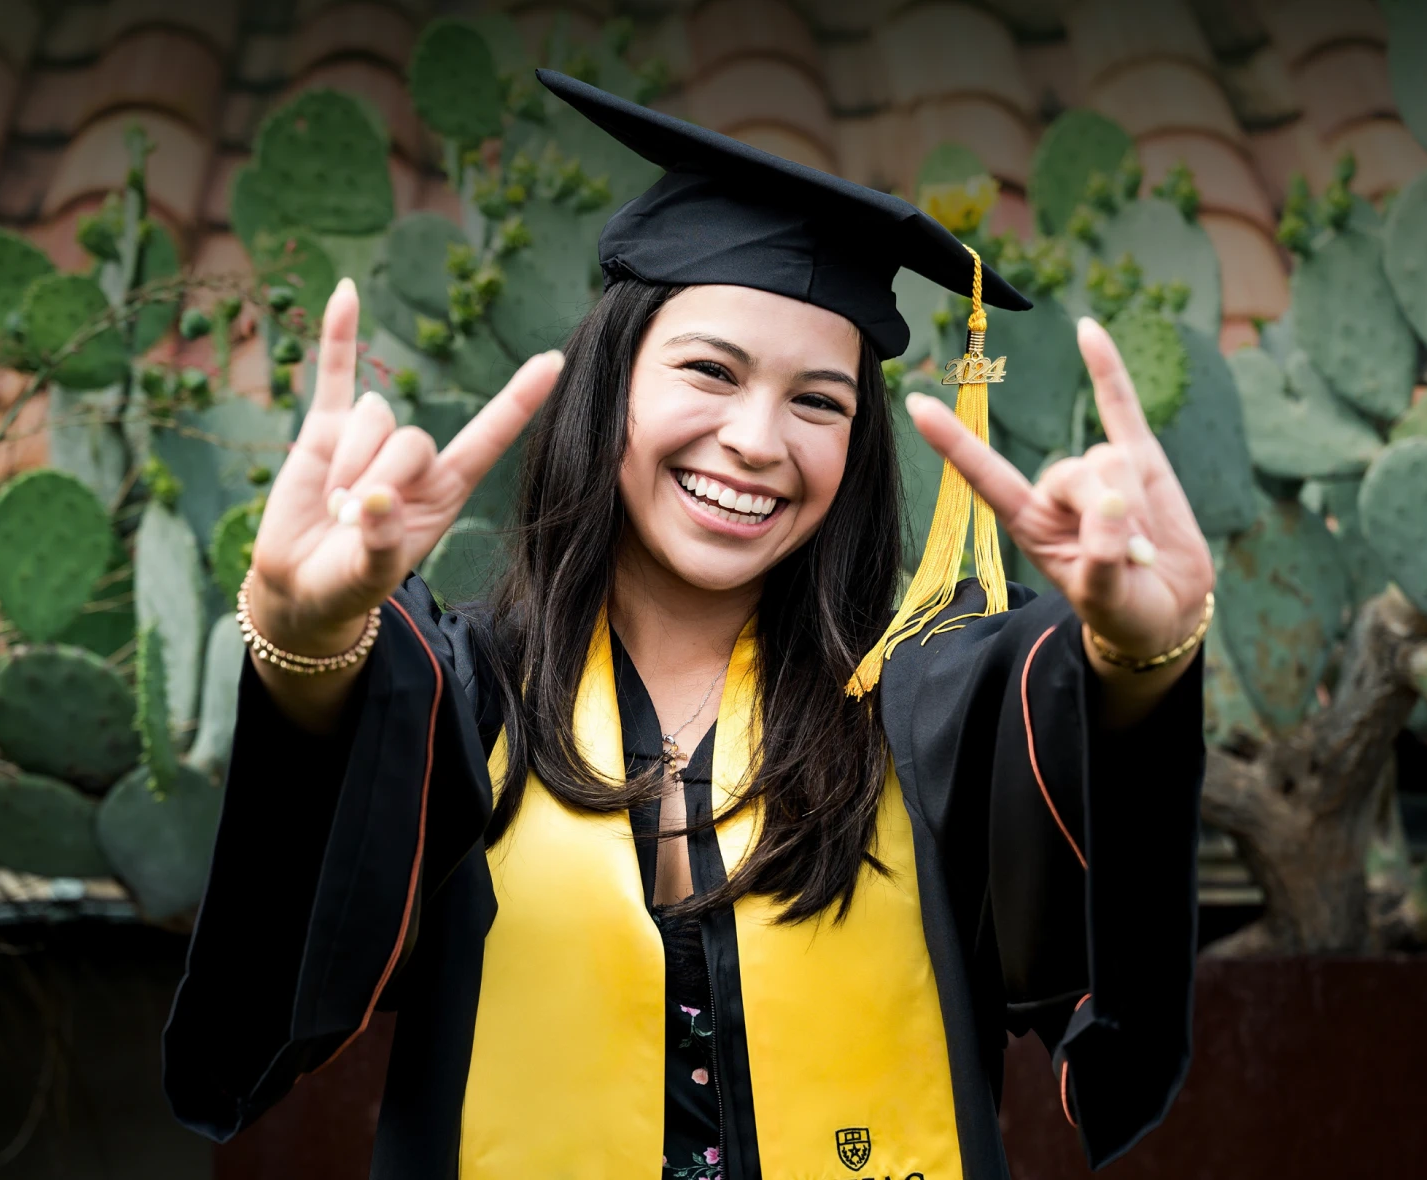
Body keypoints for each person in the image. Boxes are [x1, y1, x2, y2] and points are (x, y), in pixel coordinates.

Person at [163, 71, 1211, 1180]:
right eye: (710, 371)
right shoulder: (470, 700)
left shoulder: (922, 711)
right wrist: (307, 642)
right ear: (609, 385)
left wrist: (1142, 659)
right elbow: (268, 994)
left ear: (856, 451)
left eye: (818, 400)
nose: (758, 440)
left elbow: (1082, 777)